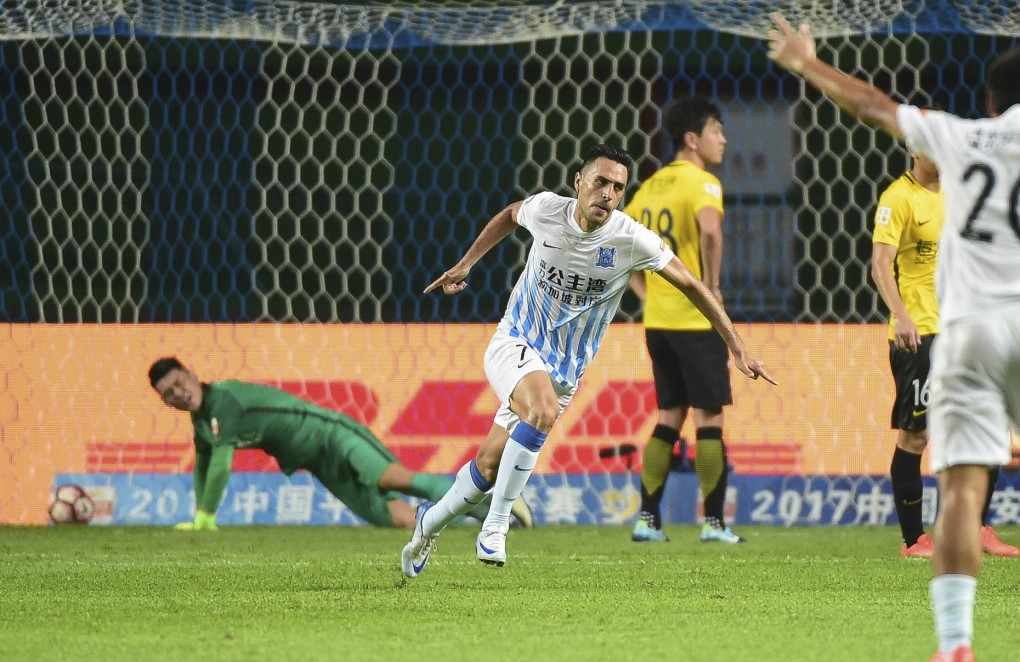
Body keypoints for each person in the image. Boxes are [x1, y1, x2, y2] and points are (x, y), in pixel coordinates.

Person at [768, 14, 1020, 662]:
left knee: (962, 486)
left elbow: (872, 104)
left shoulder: (963, 137)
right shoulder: (905, 193)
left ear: (990, 102)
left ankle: (956, 645)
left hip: (972, 332)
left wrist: (805, 63)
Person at [400, 143, 776, 578]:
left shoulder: (629, 238)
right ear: (578, 182)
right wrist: (466, 263)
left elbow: (691, 283)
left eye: (618, 187)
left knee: (488, 464)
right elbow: (508, 215)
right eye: (601, 182)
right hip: (515, 341)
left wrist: (737, 345)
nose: (608, 193)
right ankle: (497, 524)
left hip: (565, 371)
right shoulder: (546, 211)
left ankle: (429, 522)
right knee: (539, 409)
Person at [148, 357, 533, 530]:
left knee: (393, 478)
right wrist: (199, 514)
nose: (178, 393)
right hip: (317, 462)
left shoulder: (223, 402)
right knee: (389, 518)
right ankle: (487, 512)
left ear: (193, 375)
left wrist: (205, 518)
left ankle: (495, 498)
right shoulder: (202, 424)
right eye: (169, 394)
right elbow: (203, 463)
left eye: (180, 383)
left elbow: (219, 464)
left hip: (331, 433)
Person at [871, 148, 1020, 559]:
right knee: (916, 434)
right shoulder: (897, 198)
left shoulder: (960, 193)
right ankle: (913, 539)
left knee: (986, 425)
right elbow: (880, 264)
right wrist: (900, 315)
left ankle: (978, 528)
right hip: (918, 333)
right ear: (913, 148)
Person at [624, 97, 745, 544]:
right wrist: (710, 290)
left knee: (669, 416)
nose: (723, 139)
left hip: (658, 322)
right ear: (693, 139)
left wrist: (646, 293)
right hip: (696, 322)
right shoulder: (703, 183)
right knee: (709, 418)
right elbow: (711, 231)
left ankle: (648, 520)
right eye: (716, 131)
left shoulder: (648, 189)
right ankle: (714, 524)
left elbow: (626, 254)